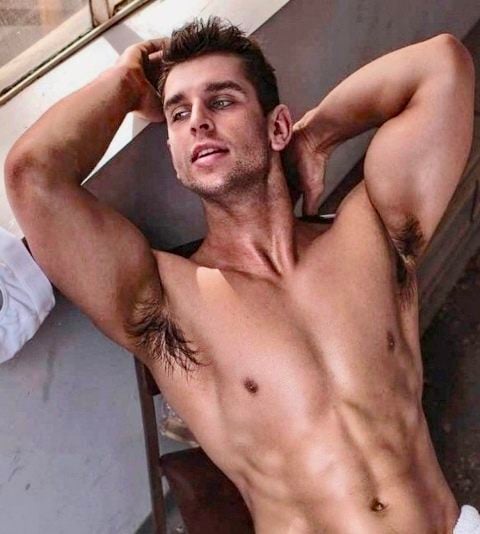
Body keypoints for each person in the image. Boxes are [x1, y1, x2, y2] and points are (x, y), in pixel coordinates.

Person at [5, 16, 477, 534]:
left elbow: (442, 65)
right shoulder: (166, 302)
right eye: (178, 113)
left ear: (277, 127)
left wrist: (317, 136)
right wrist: (126, 82)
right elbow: (33, 175)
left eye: (222, 101)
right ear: (175, 156)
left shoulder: (371, 235)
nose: (198, 122)